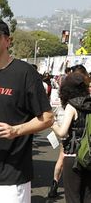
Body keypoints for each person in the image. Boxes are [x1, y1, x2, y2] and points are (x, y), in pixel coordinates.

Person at [0, 19, 53, 203]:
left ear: (8, 41)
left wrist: (15, 130)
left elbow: (47, 118)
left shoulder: (25, 73)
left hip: (12, 175)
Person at [51, 72, 91, 203]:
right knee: (87, 195)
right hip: (88, 155)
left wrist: (53, 124)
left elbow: (62, 133)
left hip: (73, 155)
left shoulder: (71, 106)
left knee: (73, 196)